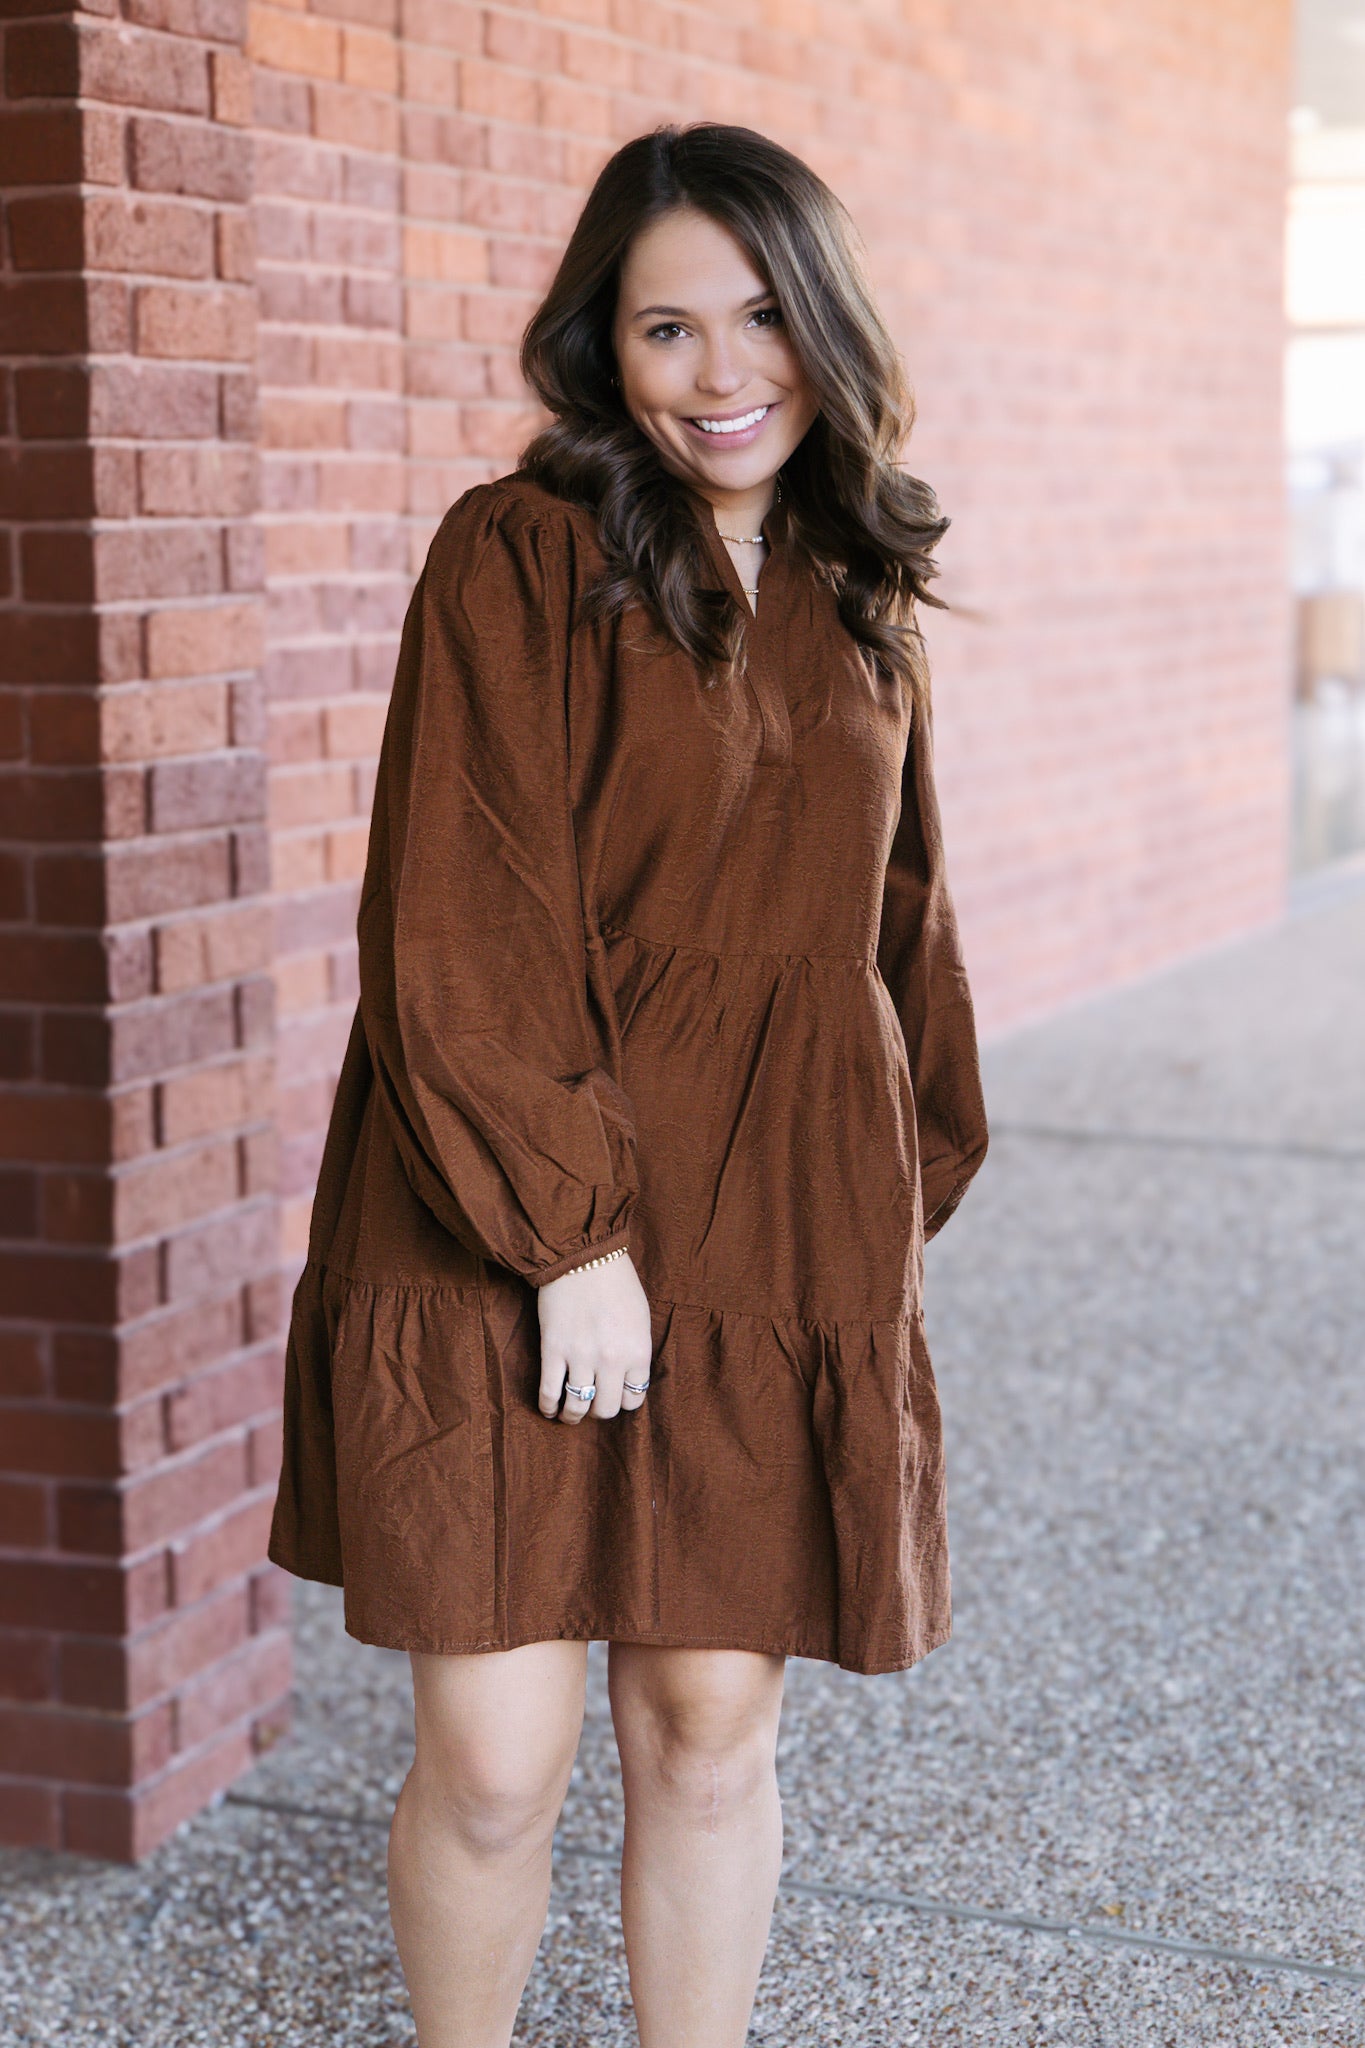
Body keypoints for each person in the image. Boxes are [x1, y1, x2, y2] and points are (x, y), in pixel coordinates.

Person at [268, 120, 988, 2048]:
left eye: (762, 317)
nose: (721, 371)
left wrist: (893, 1179)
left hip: (765, 1209)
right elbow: (459, 911)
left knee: (705, 1726)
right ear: (603, 345)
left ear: (827, 325)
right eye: (667, 328)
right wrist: (567, 1236)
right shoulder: (520, 553)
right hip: (499, 1194)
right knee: (494, 1760)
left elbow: (896, 914)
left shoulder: (856, 580)